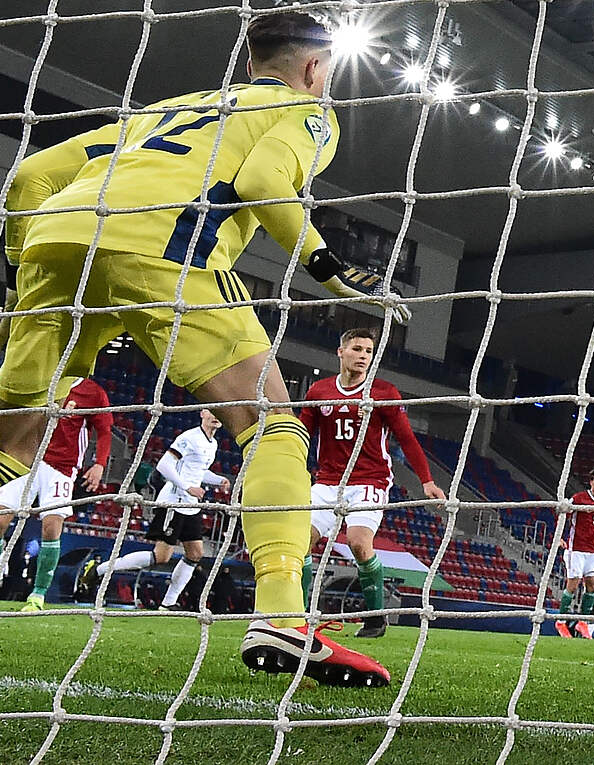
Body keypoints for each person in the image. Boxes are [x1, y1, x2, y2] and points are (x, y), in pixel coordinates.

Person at [0, 10, 404, 686]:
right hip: (166, 248)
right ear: (314, 68)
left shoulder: (168, 110)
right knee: (272, 425)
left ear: (251, 62)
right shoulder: (308, 112)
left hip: (57, 243)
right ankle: (282, 615)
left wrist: (24, 272)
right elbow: (263, 181)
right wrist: (327, 265)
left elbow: (30, 178)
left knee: (12, 442)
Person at [297, 327, 445, 638]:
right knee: (299, 542)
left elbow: (406, 438)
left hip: (370, 480)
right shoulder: (320, 391)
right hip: (327, 481)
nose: (363, 356)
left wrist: (427, 480)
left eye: (368, 351)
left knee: (358, 543)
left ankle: (376, 619)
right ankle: (299, 616)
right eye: (357, 349)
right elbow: (302, 434)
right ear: (341, 352)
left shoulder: (384, 392)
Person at [80, 410, 230, 611]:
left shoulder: (213, 444)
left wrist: (218, 480)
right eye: (211, 412)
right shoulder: (189, 437)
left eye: (219, 412)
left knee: (195, 553)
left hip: (191, 505)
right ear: (203, 413)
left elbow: (198, 471)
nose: (216, 416)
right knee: (161, 557)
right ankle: (98, 570)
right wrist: (187, 487)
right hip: (173, 502)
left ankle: (168, 603)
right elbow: (164, 465)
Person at [0, 376, 112, 610]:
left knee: (51, 528)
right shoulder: (40, 380)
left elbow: (104, 430)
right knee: (0, 519)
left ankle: (38, 595)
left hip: (61, 468)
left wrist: (100, 464)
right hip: (26, 458)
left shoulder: (93, 392)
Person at [556, 467, 594, 638]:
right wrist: (559, 536)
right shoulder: (579, 498)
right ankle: (561, 622)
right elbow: (563, 514)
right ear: (591, 482)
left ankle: (582, 622)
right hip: (576, 548)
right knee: (573, 584)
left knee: (592, 585)